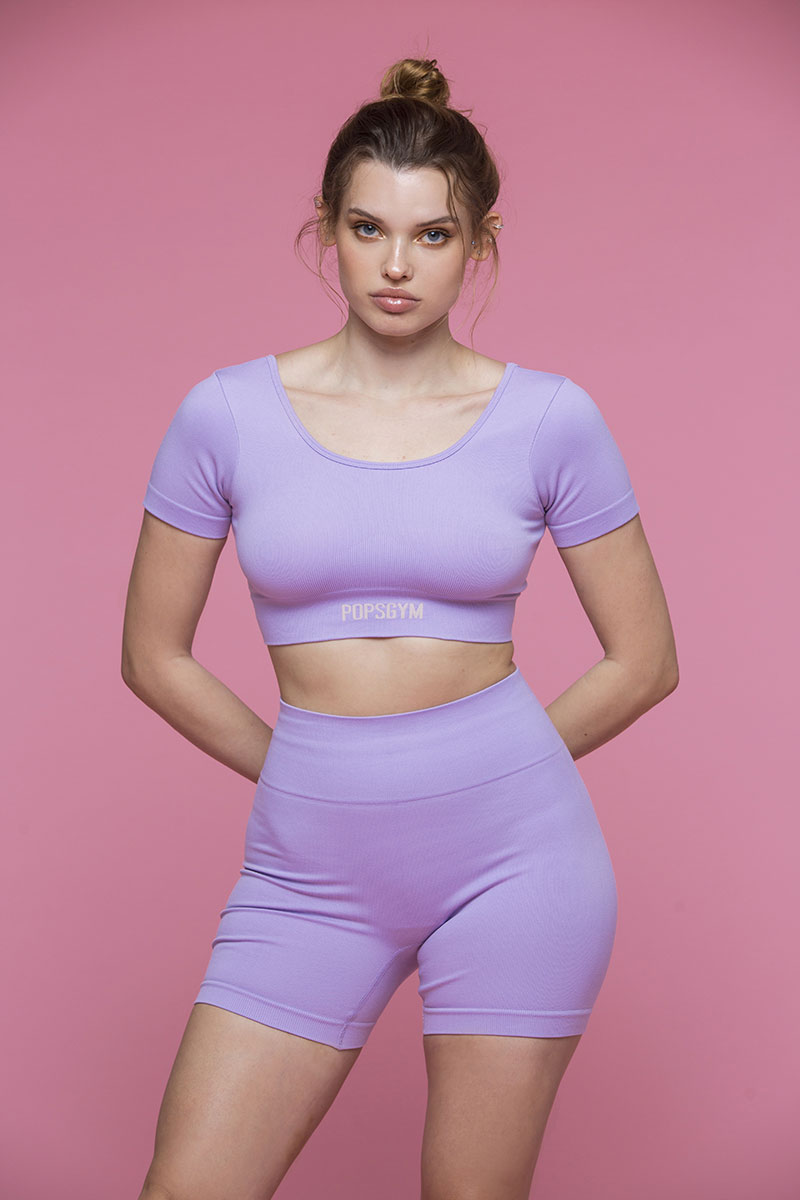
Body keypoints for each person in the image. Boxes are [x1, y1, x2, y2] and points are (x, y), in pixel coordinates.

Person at [123, 55, 678, 1200]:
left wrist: (472, 771)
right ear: (324, 229)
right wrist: (318, 770)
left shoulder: (548, 419)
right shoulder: (225, 415)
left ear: (478, 246)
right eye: (366, 228)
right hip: (307, 871)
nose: (394, 264)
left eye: (432, 236)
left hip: (516, 860)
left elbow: (643, 661)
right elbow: (153, 656)